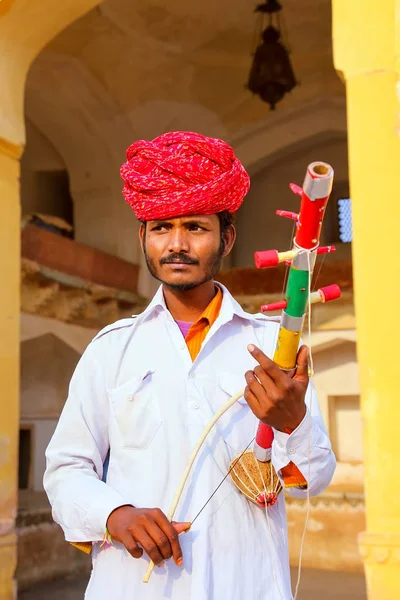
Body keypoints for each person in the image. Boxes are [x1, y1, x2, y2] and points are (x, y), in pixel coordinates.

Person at [44, 131, 336, 600]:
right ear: (143, 236)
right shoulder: (112, 350)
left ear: (227, 236)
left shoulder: (271, 347)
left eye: (196, 228)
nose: (176, 244)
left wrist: (293, 422)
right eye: (161, 228)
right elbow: (65, 470)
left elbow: (312, 479)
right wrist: (116, 515)